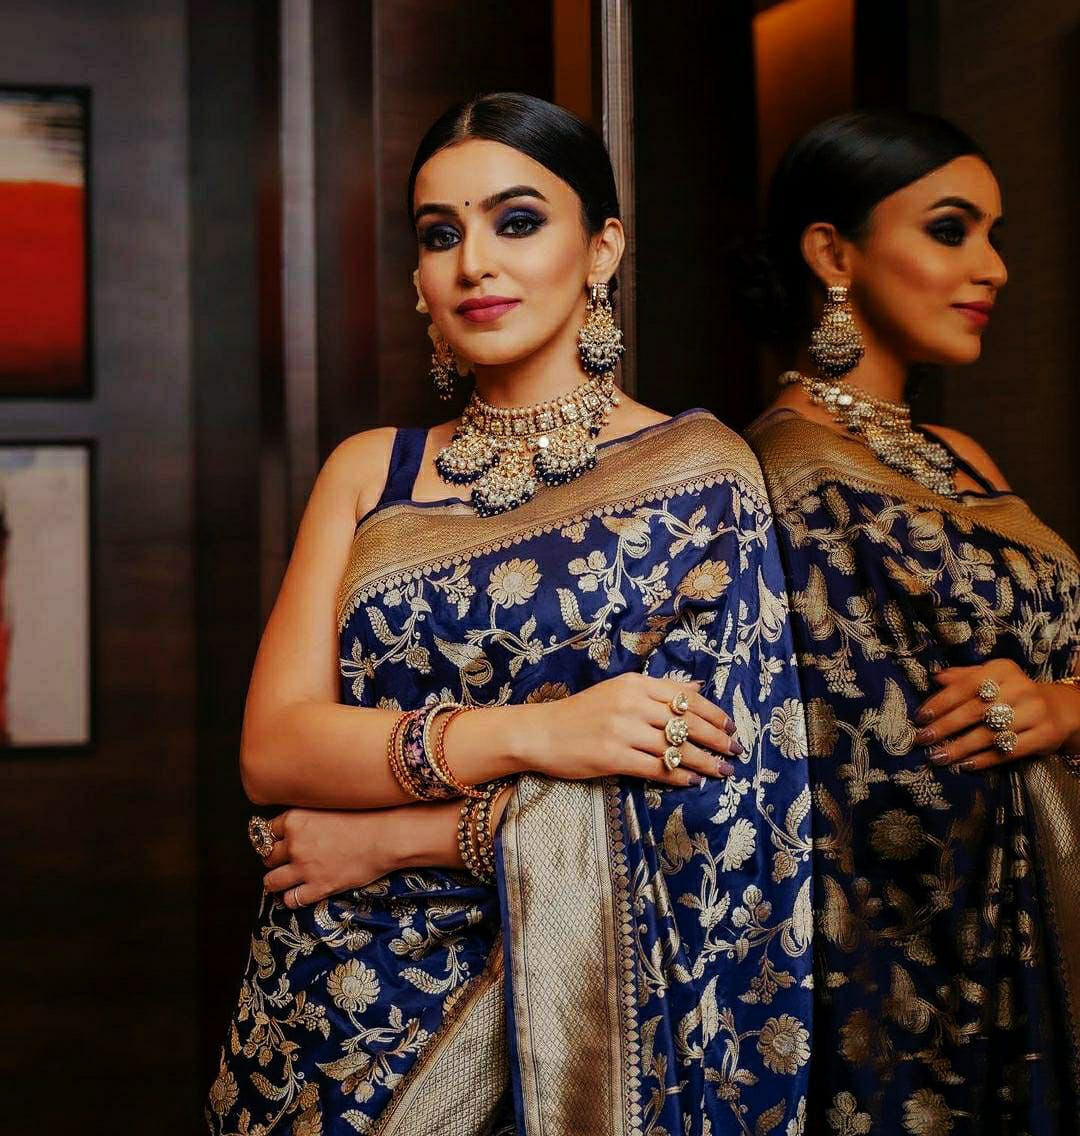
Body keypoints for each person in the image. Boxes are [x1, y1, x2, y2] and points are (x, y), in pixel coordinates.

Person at [207, 93, 812, 1136]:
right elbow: (275, 749)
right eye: (441, 234)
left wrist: (399, 839)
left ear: (602, 248)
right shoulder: (372, 472)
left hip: (582, 1035)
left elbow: (720, 810)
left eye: (517, 221)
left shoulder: (700, 475)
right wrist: (540, 733)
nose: (474, 263)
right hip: (326, 1019)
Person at [743, 109, 1080, 1133]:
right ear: (832, 253)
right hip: (921, 997)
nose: (993, 268)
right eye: (950, 229)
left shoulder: (963, 455)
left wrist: (1063, 707)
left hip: (1044, 940)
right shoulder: (781, 474)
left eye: (993, 234)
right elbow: (865, 778)